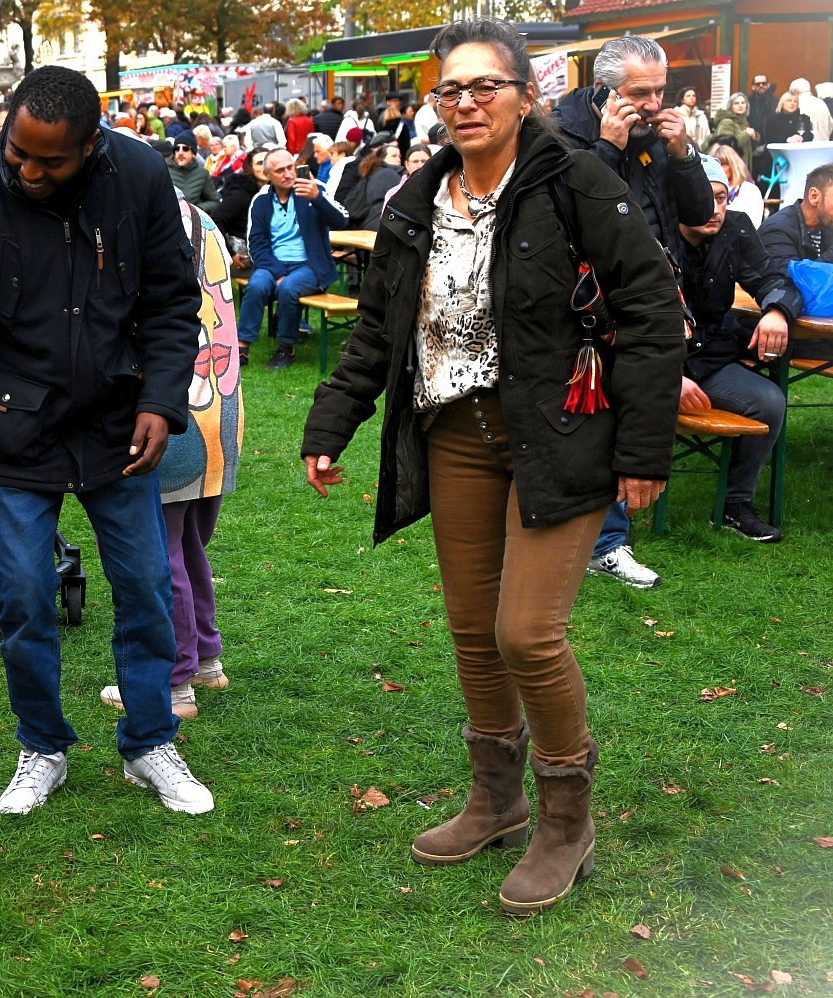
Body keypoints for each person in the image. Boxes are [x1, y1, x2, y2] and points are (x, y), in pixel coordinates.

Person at [303, 18, 684, 917]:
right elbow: (378, 327)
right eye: (450, 90)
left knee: (527, 634)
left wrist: (643, 450)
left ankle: (565, 819)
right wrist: (333, 421)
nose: (466, 103)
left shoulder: (576, 182)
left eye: (486, 87)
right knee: (474, 634)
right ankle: (497, 799)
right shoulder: (417, 201)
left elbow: (653, 309)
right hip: (455, 435)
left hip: (560, 435)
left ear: (526, 96)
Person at [0, 65, 215, 817]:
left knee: (143, 589)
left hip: (118, 423)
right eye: (18, 154)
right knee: (25, 600)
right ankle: (41, 745)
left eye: (50, 160)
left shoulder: (137, 175)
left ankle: (149, 742)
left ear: (92, 144)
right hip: (15, 429)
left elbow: (173, 301)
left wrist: (162, 401)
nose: (29, 171)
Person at [552, 33, 715, 590]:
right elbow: (571, 219)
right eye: (640, 92)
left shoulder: (656, 135)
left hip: (650, 294)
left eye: (660, 91)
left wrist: (684, 155)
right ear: (603, 90)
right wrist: (606, 151)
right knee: (598, 413)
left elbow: (698, 215)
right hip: (588, 300)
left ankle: (605, 540)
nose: (653, 103)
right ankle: (601, 541)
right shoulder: (562, 131)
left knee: (627, 409)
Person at [101, 195, 241, 719]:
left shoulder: (139, 215)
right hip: (220, 402)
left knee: (163, 551)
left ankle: (174, 679)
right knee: (186, 542)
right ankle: (206, 658)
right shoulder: (201, 216)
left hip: (172, 405)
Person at [676, 155, 799, 542]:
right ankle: (616, 514)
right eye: (703, 198)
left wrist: (777, 310)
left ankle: (735, 504)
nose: (714, 210)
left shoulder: (734, 228)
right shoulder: (655, 232)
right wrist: (668, 376)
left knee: (769, 400)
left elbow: (770, 277)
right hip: (652, 360)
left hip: (709, 355)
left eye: (722, 198)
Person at [238, 147, 351, 371]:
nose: (288, 174)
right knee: (256, 285)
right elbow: (256, 244)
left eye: (290, 167)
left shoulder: (314, 188)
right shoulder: (260, 200)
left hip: (310, 265)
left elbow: (342, 221)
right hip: (273, 264)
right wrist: (277, 272)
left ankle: (286, 347)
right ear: (268, 175)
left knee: (289, 288)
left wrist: (317, 198)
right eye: (280, 170)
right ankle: (242, 347)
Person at [759, 163, 833, 361]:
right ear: (814, 196)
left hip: (820, 322)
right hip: (787, 327)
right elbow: (792, 285)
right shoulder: (777, 229)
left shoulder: (827, 227)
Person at [343, 142, 403, 228]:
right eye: (394, 156)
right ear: (382, 158)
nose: (398, 159)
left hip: (363, 226)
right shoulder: (389, 174)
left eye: (399, 156)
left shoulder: (372, 174)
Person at [711, 143, 764, 228]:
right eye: (716, 165)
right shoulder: (707, 191)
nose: (719, 169)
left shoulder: (749, 190)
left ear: (733, 165)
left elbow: (754, 224)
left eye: (723, 164)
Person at [167, 134, 220, 211]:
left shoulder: (202, 173)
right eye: (177, 148)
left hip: (193, 220)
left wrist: (196, 210)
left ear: (193, 153)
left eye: (185, 149)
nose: (180, 152)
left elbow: (214, 201)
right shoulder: (165, 170)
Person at [710, 92, 757, 167]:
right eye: (736, 103)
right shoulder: (726, 122)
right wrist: (746, 134)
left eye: (743, 103)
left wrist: (754, 137)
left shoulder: (744, 123)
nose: (740, 106)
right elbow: (726, 146)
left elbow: (748, 148)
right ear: (730, 106)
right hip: (731, 167)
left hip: (743, 167)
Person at [383, 142, 431, 209]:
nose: (420, 165)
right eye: (415, 161)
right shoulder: (393, 193)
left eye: (424, 161)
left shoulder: (440, 190)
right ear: (407, 164)